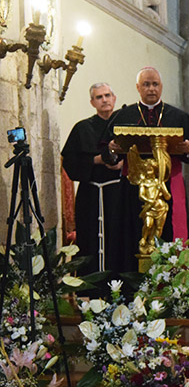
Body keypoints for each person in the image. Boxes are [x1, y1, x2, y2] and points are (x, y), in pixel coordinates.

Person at [105, 67, 189, 271]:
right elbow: (106, 150)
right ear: (138, 88)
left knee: (168, 232)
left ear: (161, 87)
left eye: (155, 84)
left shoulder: (180, 117)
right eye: (146, 84)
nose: (151, 89)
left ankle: (171, 278)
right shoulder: (123, 116)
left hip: (168, 185)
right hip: (133, 187)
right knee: (132, 232)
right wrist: (112, 150)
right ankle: (130, 279)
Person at [61, 83, 123, 275]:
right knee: (89, 239)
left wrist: (123, 164)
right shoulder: (82, 128)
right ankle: (90, 285)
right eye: (99, 97)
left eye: (107, 95)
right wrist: (97, 160)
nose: (104, 100)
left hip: (119, 193)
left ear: (114, 98)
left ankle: (119, 285)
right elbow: (69, 162)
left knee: (120, 237)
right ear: (92, 102)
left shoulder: (127, 127)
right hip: (90, 193)